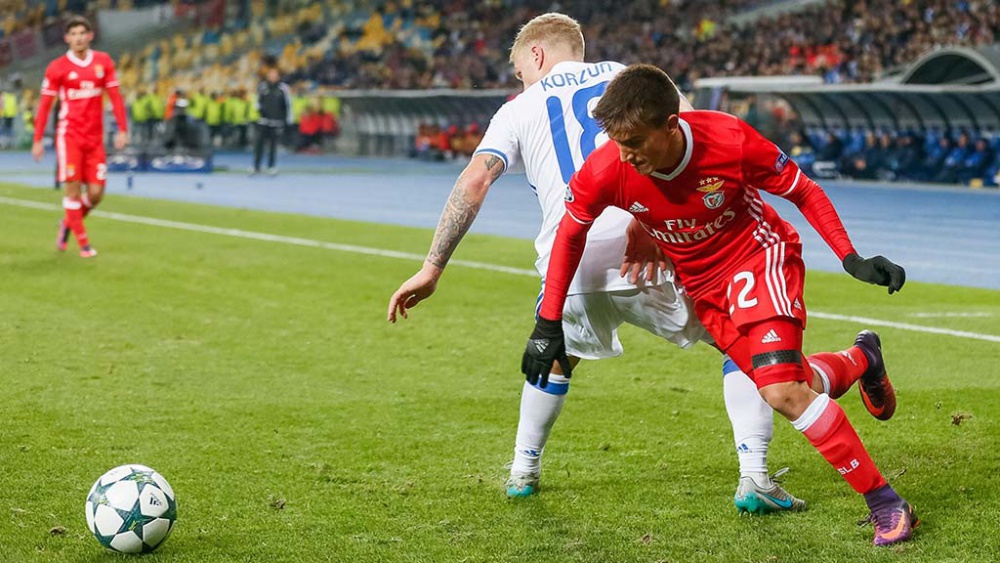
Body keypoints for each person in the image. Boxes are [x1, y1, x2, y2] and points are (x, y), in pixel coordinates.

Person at [387, 13, 866, 512]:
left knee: (557, 354)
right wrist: (646, 218)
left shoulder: (516, 108)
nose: (520, 80)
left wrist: (432, 267)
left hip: (572, 261)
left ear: (536, 54)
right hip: (654, 245)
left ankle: (522, 471)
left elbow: (475, 181)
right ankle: (755, 476)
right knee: (738, 343)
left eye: (519, 71)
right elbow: (692, 138)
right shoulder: (631, 79)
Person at [522, 64, 915, 546]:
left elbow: (803, 191)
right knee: (795, 386)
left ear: (671, 125)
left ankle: (887, 504)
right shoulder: (609, 166)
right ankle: (861, 358)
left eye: (636, 142)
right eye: (618, 143)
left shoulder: (729, 140)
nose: (625, 155)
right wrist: (548, 322)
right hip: (703, 288)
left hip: (758, 259)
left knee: (781, 392)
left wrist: (850, 258)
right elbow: (569, 235)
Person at [32, 16, 128, 258]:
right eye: (73, 34)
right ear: (67, 38)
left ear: (90, 36)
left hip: (95, 139)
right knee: (73, 190)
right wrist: (37, 139)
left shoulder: (103, 62)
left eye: (82, 33)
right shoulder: (57, 67)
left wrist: (122, 129)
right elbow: (44, 106)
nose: (78, 38)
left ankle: (68, 222)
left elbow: (115, 97)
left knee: (96, 194)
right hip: (70, 137)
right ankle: (84, 244)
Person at [251, 67, 292, 175]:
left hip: (276, 121)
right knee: (259, 145)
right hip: (263, 121)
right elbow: (257, 102)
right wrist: (260, 113)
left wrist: (286, 119)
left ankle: (271, 166)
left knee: (273, 146)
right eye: (271, 75)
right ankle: (256, 167)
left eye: (275, 75)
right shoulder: (262, 87)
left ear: (278, 76)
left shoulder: (283, 88)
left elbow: (287, 104)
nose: (273, 77)